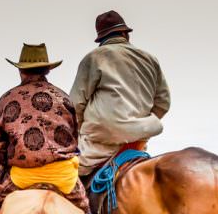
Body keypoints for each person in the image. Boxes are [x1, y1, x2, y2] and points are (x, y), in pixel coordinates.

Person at [0, 43, 89, 214]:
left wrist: (6, 163)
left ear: (21, 71)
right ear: (47, 71)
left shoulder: (8, 98)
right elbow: (75, 138)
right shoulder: (64, 97)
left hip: (22, 177)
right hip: (63, 177)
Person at [70, 10, 170, 176]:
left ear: (101, 39)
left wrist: (80, 130)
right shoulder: (150, 59)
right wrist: (140, 122)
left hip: (100, 140)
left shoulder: (94, 57)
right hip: (139, 139)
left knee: (70, 173)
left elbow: (75, 104)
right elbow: (163, 102)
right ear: (125, 33)